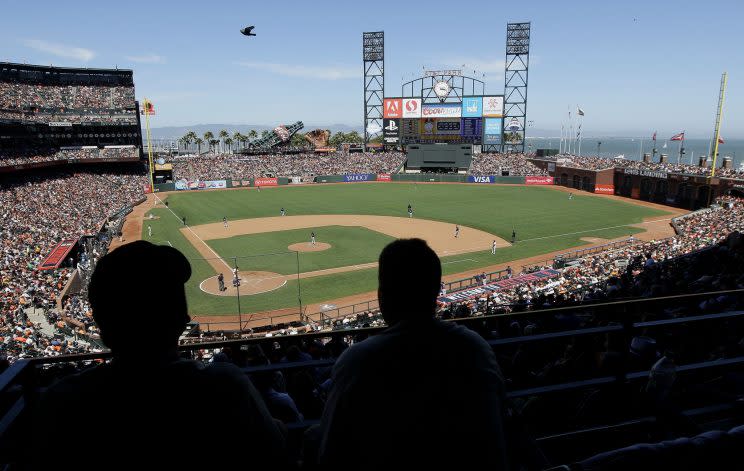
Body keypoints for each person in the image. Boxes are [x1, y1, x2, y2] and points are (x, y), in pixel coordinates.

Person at [32, 242, 286, 468]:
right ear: (181, 320)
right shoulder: (225, 386)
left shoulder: (62, 401)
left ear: (100, 322)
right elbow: (276, 454)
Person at [318, 239, 509, 468]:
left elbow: (331, 455)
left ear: (382, 295)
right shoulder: (475, 347)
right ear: (436, 291)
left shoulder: (357, 360)